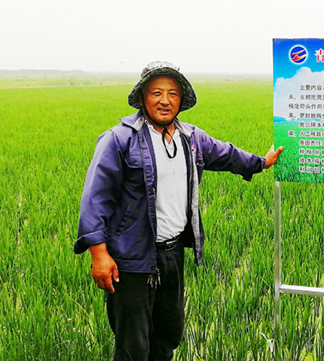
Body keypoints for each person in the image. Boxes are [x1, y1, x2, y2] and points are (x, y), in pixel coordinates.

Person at [73, 61, 282, 361]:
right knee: (133, 346)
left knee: (167, 337)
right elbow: (96, 197)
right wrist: (99, 254)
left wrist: (261, 162)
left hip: (172, 255)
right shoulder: (119, 139)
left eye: (172, 93)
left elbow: (226, 154)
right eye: (156, 92)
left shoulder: (191, 138)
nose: (165, 100)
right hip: (131, 260)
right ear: (142, 96)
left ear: (181, 99)